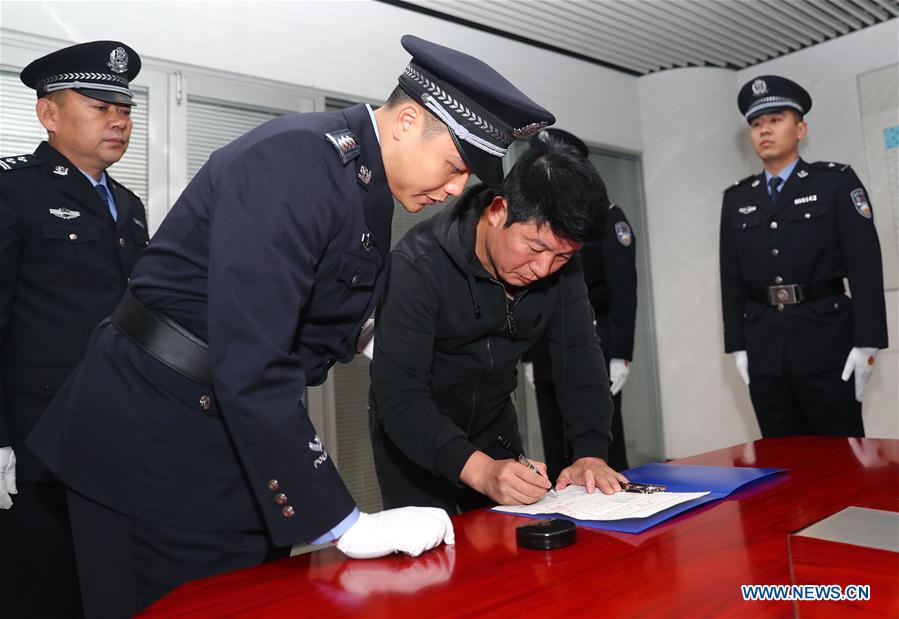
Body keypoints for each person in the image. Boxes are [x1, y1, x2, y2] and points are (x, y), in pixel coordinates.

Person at [27, 34, 554, 616]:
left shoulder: (366, 184)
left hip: (222, 435)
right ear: (407, 121)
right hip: (147, 441)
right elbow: (252, 355)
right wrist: (341, 522)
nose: (457, 190)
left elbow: (320, 314)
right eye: (456, 167)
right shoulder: (295, 164)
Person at [369, 135, 629, 514]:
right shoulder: (417, 265)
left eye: (562, 256)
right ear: (498, 211)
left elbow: (579, 358)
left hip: (496, 435)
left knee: (508, 558)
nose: (543, 269)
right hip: (416, 442)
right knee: (433, 565)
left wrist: (591, 452)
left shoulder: (561, 269)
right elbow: (401, 398)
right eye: (535, 247)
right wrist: (481, 471)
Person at [0, 40, 147, 618]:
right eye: (99, 105)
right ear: (49, 113)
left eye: (125, 108)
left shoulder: (129, 205)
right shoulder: (14, 192)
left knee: (108, 593)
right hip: (36, 444)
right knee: (40, 593)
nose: (118, 120)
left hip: (116, 437)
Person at [719, 75, 888, 438]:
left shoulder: (835, 182)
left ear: (801, 129)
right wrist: (737, 345)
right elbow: (731, 277)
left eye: (776, 120)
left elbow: (865, 267)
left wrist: (868, 341)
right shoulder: (737, 198)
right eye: (756, 124)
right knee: (780, 460)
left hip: (828, 344)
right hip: (764, 348)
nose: (764, 130)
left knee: (839, 456)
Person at [523, 128, 637, 478]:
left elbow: (623, 291)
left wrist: (621, 353)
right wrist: (528, 352)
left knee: (602, 449)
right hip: (544, 347)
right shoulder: (530, 223)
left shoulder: (607, 219)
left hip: (595, 343)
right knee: (556, 445)